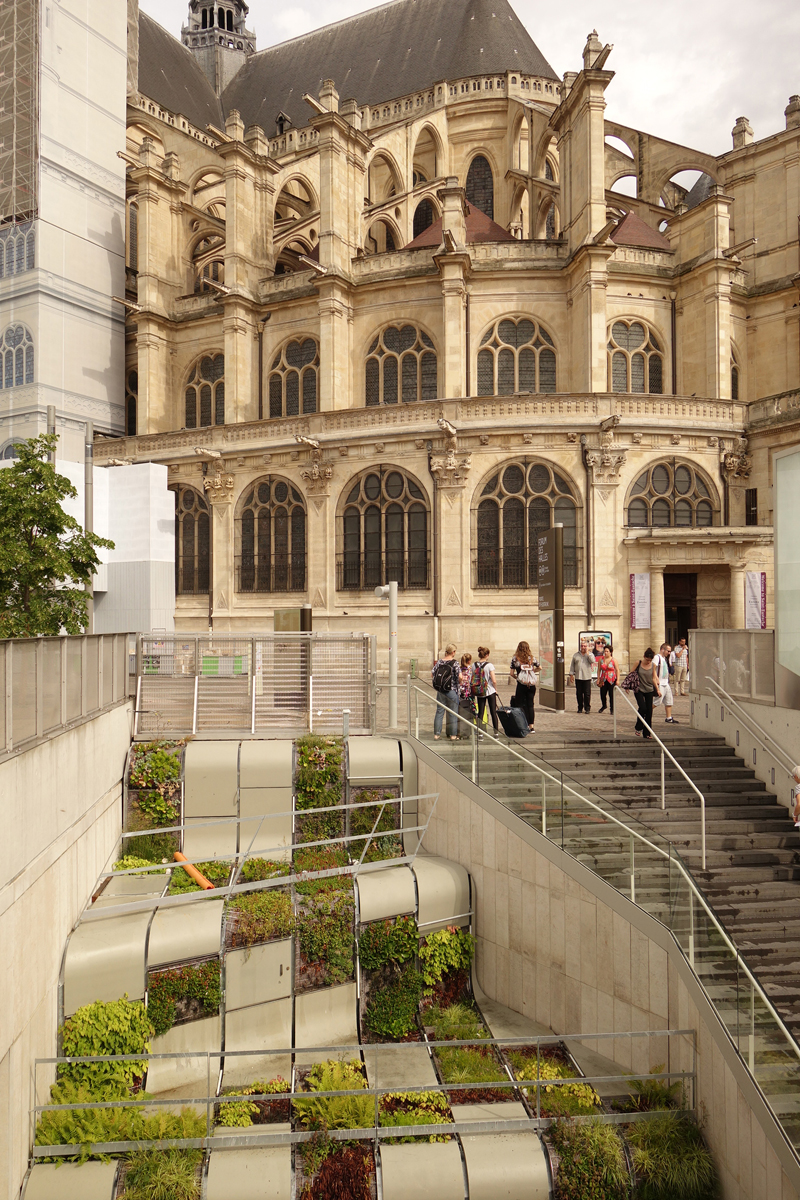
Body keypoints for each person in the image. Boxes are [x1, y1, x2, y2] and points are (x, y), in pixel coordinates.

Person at [431, 643, 459, 740]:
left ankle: (436, 734)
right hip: (451, 690)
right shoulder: (455, 663)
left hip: (440, 690)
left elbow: (432, 674)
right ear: (453, 652)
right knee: (453, 713)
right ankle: (453, 735)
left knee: (439, 712)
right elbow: (459, 677)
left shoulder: (439, 662)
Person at [510, 641, 539, 731]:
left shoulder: (515, 659)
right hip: (531, 685)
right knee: (530, 705)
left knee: (520, 704)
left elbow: (511, 673)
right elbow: (540, 667)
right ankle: (532, 726)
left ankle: (523, 724)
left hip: (521, 685)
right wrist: (533, 673)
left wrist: (517, 677)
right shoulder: (532, 659)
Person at [633, 648, 661, 739]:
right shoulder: (638, 663)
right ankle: (638, 727)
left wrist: (657, 689)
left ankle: (647, 733)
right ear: (644, 657)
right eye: (647, 660)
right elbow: (631, 674)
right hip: (639, 689)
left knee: (649, 711)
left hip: (649, 689)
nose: (648, 662)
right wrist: (627, 686)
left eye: (650, 660)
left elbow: (653, 678)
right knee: (642, 708)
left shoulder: (653, 665)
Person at [472, 647, 499, 736]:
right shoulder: (489, 665)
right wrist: (495, 689)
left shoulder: (474, 665)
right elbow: (494, 680)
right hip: (490, 690)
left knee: (481, 712)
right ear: (487, 655)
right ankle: (496, 733)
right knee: (493, 712)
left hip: (480, 691)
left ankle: (480, 733)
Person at [653, 643, 678, 724]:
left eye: (670, 651)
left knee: (669, 700)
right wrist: (656, 679)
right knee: (658, 701)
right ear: (662, 649)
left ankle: (669, 717)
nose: (669, 653)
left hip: (666, 683)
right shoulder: (657, 658)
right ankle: (645, 712)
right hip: (660, 683)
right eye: (668, 651)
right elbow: (653, 669)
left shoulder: (664, 658)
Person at [569, 641, 596, 713]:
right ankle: (580, 707)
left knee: (587, 693)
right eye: (582, 646)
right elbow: (572, 665)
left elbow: (593, 661)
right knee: (579, 693)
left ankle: (587, 708)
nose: (583, 647)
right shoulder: (576, 655)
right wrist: (571, 675)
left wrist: (588, 654)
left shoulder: (590, 654)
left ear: (587, 647)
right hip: (578, 677)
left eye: (585, 646)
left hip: (586, 677)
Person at [596, 645, 619, 714]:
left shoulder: (614, 660)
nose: (605, 653)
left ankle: (612, 708)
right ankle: (604, 705)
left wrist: (618, 680)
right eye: (605, 651)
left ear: (610, 652)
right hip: (603, 678)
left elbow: (617, 670)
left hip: (611, 679)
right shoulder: (601, 659)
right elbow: (599, 669)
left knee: (611, 695)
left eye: (607, 651)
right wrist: (598, 679)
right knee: (602, 694)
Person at [457, 652, 476, 729]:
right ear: (469, 661)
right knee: (471, 709)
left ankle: (461, 726)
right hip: (469, 692)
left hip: (460, 692)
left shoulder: (460, 669)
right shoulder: (470, 669)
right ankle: (470, 727)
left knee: (461, 708)